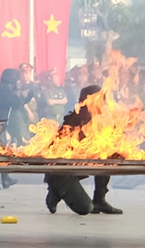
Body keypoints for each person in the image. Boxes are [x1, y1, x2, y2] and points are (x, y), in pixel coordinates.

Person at [43, 84, 121, 216]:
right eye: (100, 99)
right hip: (62, 171)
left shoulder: (101, 118)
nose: (104, 103)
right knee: (85, 209)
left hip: (80, 164)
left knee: (107, 155)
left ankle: (99, 200)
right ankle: (55, 191)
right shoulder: (75, 120)